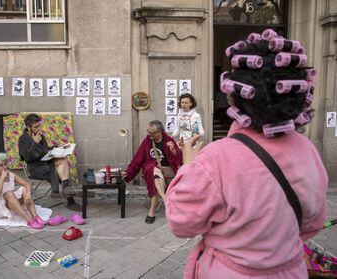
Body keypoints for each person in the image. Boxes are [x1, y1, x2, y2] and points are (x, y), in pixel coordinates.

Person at [166, 30, 328, 278]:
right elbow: (313, 223)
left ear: (234, 93)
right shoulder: (308, 150)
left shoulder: (217, 158)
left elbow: (181, 221)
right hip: (291, 270)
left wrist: (187, 166)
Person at [18, 113, 81, 211]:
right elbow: (28, 158)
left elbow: (45, 151)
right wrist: (35, 143)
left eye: (40, 125)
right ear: (28, 127)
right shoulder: (22, 140)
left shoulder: (40, 136)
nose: (39, 128)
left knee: (62, 158)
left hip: (45, 163)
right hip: (35, 168)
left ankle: (65, 189)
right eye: (36, 126)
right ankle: (70, 200)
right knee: (59, 169)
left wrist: (59, 148)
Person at [123, 120, 182, 224]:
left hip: (167, 172)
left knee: (154, 177)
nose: (149, 134)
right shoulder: (147, 141)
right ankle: (165, 199)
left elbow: (179, 159)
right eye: (148, 131)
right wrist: (128, 172)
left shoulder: (169, 140)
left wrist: (173, 150)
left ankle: (152, 211)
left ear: (160, 132)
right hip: (153, 171)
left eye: (152, 133)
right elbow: (138, 158)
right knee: (152, 169)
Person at [0, 153, 45, 229]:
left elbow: (27, 184)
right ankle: (28, 220)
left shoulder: (9, 174)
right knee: (9, 193)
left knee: (24, 189)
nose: (4, 167)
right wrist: (2, 178)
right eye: (1, 165)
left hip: (11, 203)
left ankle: (35, 216)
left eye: (5, 164)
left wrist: (28, 195)